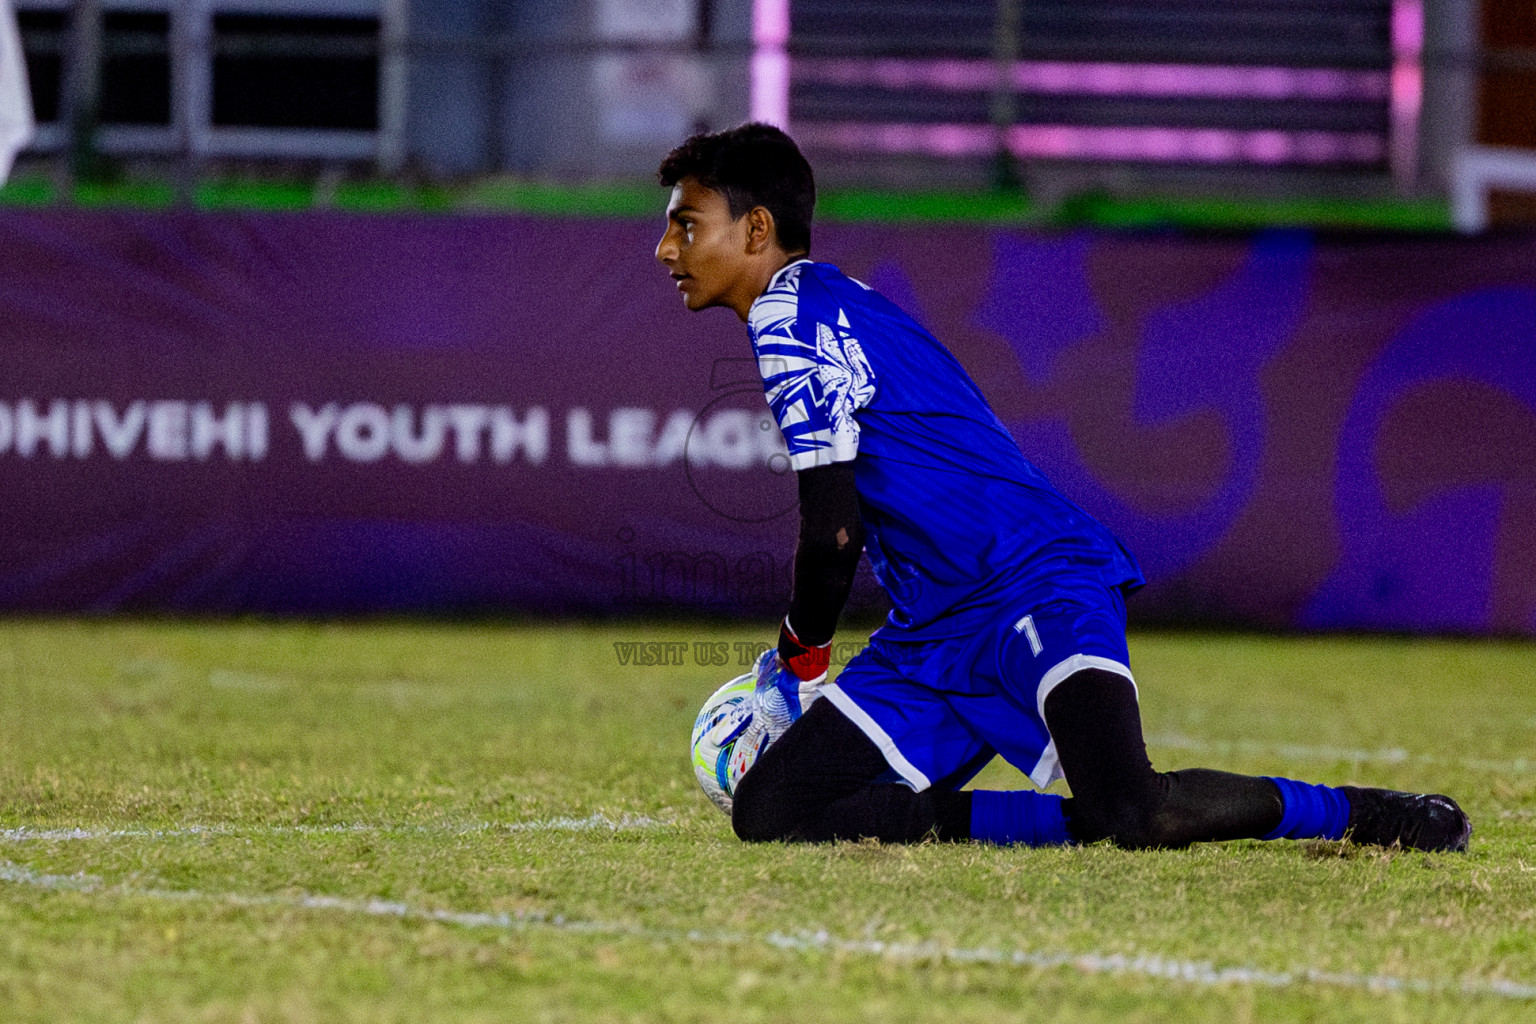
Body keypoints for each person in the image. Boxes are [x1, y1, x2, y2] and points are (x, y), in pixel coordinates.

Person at [654, 122, 1471, 853]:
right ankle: (1068, 825)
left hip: (1034, 579)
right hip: (936, 625)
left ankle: (1364, 814)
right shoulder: (829, 298)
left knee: (1141, 813)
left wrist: (799, 656)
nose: (667, 250)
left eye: (686, 225)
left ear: (756, 229)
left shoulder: (790, 320)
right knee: (771, 811)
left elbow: (834, 535)